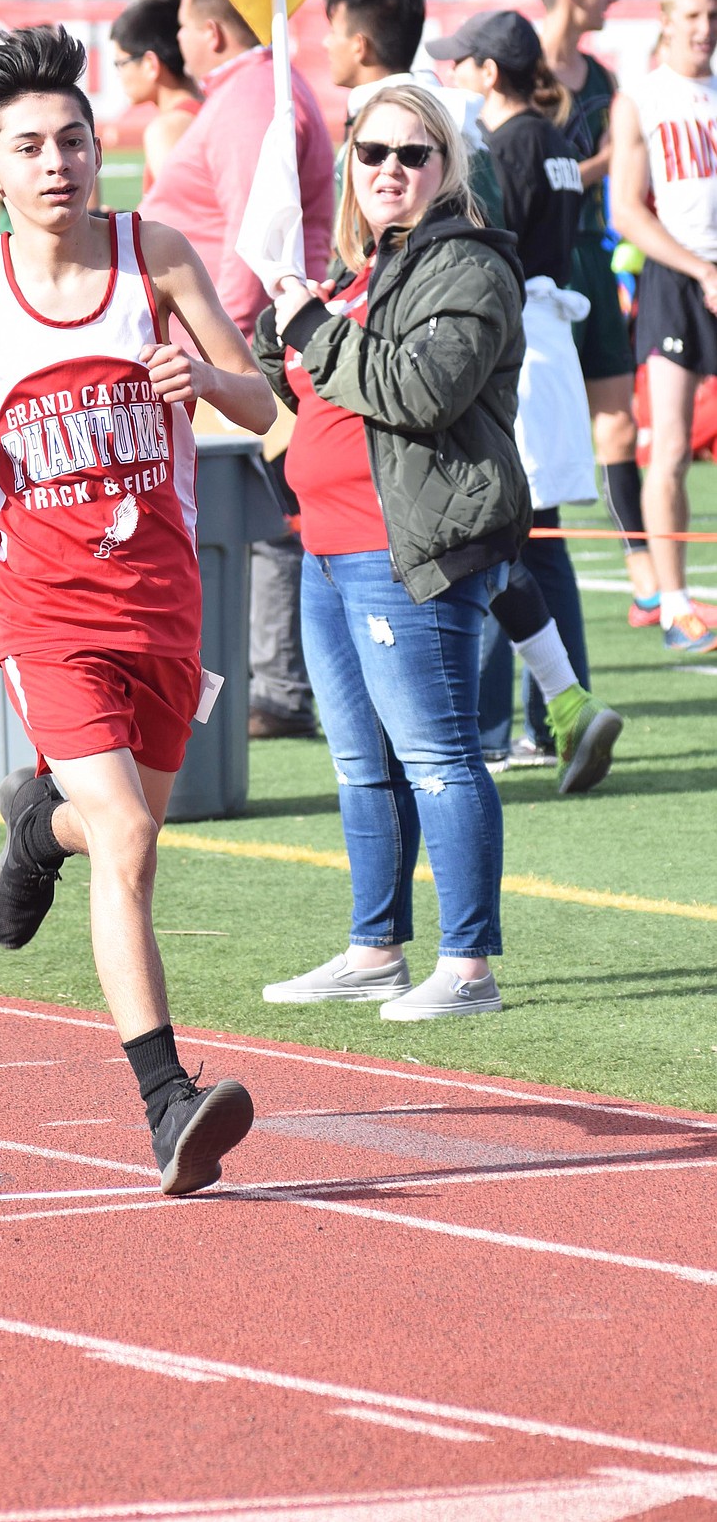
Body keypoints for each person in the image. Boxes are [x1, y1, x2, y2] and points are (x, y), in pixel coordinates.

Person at [0, 25, 274, 1194]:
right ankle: (167, 1103)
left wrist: (204, 380)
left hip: (163, 603)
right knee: (135, 838)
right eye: (27, 147)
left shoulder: (154, 255)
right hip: (45, 610)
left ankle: (30, 829)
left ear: (98, 149)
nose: (56, 162)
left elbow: (259, 402)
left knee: (116, 829)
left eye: (72, 140)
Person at [253, 84, 532, 1020]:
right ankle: (375, 950)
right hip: (325, 548)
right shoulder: (356, 271)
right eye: (372, 153)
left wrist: (311, 330)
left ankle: (469, 970)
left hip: (403, 548)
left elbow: (419, 391)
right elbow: (295, 392)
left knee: (439, 758)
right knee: (358, 764)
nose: (390, 171)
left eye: (413, 155)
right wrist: (244, 351)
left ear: (446, 167)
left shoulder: (466, 266)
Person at [140, 0, 336, 740]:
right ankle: (261, 683)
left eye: (185, 28)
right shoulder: (249, 91)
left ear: (211, 31)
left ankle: (276, 687)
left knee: (255, 515)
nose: (180, 42)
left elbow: (255, 239)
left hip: (239, 351)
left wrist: (237, 354)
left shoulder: (254, 95)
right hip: (221, 348)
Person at [430, 9, 623, 784]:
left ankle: (509, 725)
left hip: (521, 341)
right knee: (539, 538)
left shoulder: (504, 145)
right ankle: (550, 716)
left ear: (488, 72)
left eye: (461, 62)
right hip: (550, 337)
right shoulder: (555, 139)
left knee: (505, 538)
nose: (451, 72)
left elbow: (488, 251)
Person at [534, 0, 707, 630]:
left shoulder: (601, 79)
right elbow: (538, 175)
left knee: (618, 423)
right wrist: (608, 162)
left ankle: (647, 581)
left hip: (595, 263)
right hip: (539, 268)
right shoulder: (525, 71)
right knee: (537, 437)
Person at [610, 0, 717, 655]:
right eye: (692, 17)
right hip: (679, 280)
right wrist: (699, 268)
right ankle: (674, 603)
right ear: (668, 23)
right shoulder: (640, 99)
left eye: (712, 16)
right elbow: (623, 209)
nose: (704, 29)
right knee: (670, 447)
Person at [322, 0, 504, 228]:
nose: (326, 43)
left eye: (333, 32)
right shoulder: (452, 117)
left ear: (359, 46)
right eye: (373, 153)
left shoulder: (415, 125)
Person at [109, 0, 202, 192]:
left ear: (150, 64)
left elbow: (180, 216)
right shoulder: (209, 109)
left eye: (121, 63)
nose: (119, 74)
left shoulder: (168, 128)